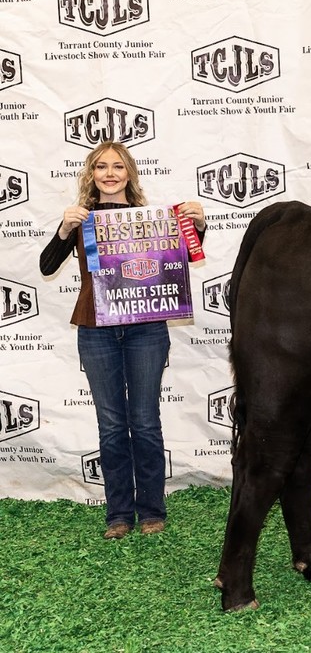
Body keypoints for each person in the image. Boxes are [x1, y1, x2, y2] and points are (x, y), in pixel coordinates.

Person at [39, 141, 206, 540]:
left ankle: (151, 510)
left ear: (129, 172)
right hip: (95, 330)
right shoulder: (81, 218)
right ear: (91, 174)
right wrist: (64, 229)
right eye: (101, 167)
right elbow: (46, 265)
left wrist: (196, 226)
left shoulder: (152, 218)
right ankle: (118, 514)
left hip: (146, 327)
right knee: (111, 423)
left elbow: (179, 261)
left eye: (118, 166)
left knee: (145, 421)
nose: (110, 173)